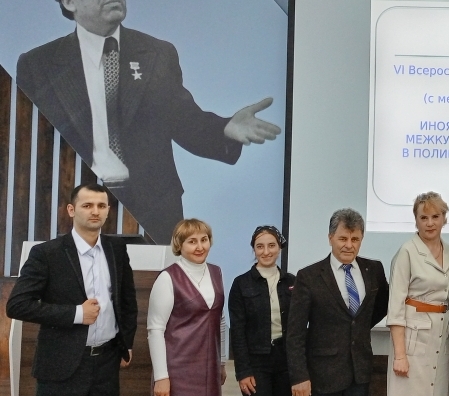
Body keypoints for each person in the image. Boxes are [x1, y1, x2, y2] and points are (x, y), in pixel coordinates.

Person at [16, 0, 281, 243]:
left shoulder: (157, 53)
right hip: (74, 206)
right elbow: (30, 146)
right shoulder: (38, 65)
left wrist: (225, 129)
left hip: (152, 208)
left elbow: (183, 118)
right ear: (69, 2)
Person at [6, 183, 137, 396]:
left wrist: (126, 342)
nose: (95, 211)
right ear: (71, 209)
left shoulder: (116, 249)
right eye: (87, 205)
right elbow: (17, 304)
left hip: (107, 362)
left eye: (101, 206)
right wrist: (77, 314)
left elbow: (127, 300)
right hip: (62, 364)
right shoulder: (47, 253)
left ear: (108, 210)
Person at [286, 208, 390, 396]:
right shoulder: (309, 276)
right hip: (321, 376)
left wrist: (359, 327)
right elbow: (295, 333)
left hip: (358, 374)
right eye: (343, 238)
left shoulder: (373, 269)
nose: (349, 245)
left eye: (355, 239)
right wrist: (299, 376)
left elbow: (379, 307)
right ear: (330, 237)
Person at [385, 192, 449, 396]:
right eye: (424, 217)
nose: (430, 223)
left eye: (435, 217)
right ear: (416, 220)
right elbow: (395, 307)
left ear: (444, 219)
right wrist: (400, 355)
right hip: (411, 344)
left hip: (440, 341)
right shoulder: (407, 252)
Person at [146, 218, 228, 396]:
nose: (200, 246)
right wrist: (161, 377)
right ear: (179, 245)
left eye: (204, 240)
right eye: (192, 241)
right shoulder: (168, 277)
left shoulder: (216, 272)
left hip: (207, 369)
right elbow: (155, 330)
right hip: (176, 371)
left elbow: (220, 320)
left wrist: (221, 362)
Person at [229, 225, 295, 396]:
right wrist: (243, 372)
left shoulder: (292, 282)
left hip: (284, 364)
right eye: (260, 246)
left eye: (271, 245)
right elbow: (238, 332)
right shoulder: (241, 284)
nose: (266, 251)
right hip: (256, 364)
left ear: (280, 248)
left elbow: (297, 328)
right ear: (254, 249)